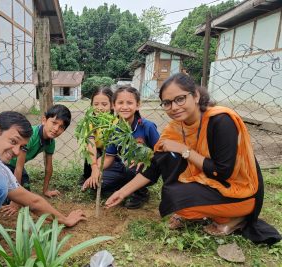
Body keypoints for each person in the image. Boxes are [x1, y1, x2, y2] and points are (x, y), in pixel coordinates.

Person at [105, 73, 281, 244]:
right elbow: (155, 166)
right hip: (210, 181)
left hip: (240, 191)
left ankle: (236, 218)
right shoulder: (176, 127)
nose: (174, 107)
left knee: (179, 202)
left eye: (180, 99)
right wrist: (122, 192)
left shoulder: (220, 120)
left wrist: (184, 150)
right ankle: (205, 209)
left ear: (195, 96)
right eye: (167, 103)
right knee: (167, 161)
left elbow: (223, 171)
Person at [83, 86, 160, 209]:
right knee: (97, 183)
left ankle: (140, 193)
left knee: (132, 168)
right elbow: (108, 157)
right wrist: (95, 170)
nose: (124, 107)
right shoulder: (114, 129)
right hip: (126, 166)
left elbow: (161, 151)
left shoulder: (147, 126)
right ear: (114, 105)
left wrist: (146, 156)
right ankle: (127, 186)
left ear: (138, 105)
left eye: (129, 103)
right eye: (120, 102)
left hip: (147, 169)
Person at [1, 104, 71, 215]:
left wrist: (46, 190)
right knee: (10, 195)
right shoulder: (31, 135)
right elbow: (19, 168)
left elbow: (49, 167)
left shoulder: (50, 142)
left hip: (16, 166)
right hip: (4, 163)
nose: (56, 129)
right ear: (44, 120)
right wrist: (15, 201)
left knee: (26, 190)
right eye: (54, 123)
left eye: (61, 127)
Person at [80, 86, 114, 185]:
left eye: (104, 104)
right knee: (89, 153)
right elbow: (91, 144)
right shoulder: (90, 122)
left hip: (112, 153)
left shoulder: (116, 122)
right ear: (91, 106)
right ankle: (87, 176)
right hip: (96, 149)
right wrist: (94, 165)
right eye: (96, 104)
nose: (99, 108)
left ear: (112, 105)